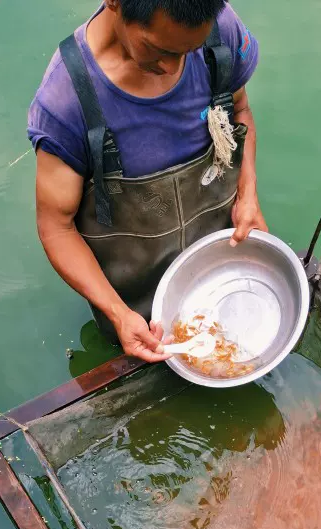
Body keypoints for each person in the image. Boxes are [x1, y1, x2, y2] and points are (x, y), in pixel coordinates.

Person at [28, 0, 266, 363]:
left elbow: (240, 111)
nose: (171, 67)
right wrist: (118, 314)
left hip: (223, 285)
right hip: (136, 317)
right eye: (158, 49)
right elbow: (56, 227)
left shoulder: (221, 32)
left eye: (189, 50)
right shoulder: (65, 102)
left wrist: (248, 197)